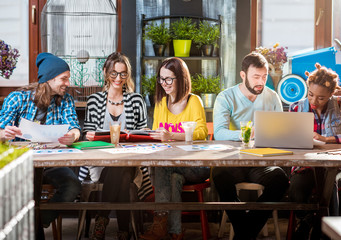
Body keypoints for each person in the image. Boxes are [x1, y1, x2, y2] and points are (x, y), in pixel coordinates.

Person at [212, 52, 289, 240]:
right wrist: (246, 134)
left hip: (260, 163)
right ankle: (247, 232)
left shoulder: (272, 97)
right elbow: (219, 133)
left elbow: (282, 132)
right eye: (256, 77)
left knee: (280, 178)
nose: (260, 82)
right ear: (243, 75)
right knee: (219, 175)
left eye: (264, 77)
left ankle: (244, 233)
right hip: (233, 162)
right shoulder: (226, 97)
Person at [0, 52, 81, 227]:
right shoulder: (17, 98)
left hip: (51, 163)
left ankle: (37, 223)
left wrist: (72, 136)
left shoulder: (65, 99)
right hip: (21, 163)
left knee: (73, 186)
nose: (68, 83)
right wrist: (4, 133)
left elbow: (74, 126)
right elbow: (0, 129)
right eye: (64, 79)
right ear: (50, 78)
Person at [81, 52, 153, 240]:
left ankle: (102, 220)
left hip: (129, 161)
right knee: (120, 173)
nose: (118, 78)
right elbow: (86, 134)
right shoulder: (94, 100)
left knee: (122, 167)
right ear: (105, 72)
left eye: (123, 74)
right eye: (114, 73)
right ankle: (124, 230)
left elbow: (143, 133)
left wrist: (139, 135)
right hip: (101, 163)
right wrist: (90, 136)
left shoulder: (136, 100)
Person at [288, 63, 341, 239]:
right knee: (296, 186)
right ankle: (310, 223)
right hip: (305, 167)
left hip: (336, 168)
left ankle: (321, 232)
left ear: (331, 94)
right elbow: (287, 141)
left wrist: (327, 139)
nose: (313, 101)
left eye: (321, 98)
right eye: (310, 94)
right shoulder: (296, 107)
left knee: (329, 182)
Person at [140, 57, 209, 240]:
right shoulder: (161, 103)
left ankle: (159, 224)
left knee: (163, 167)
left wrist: (171, 135)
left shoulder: (194, 101)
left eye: (169, 79)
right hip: (173, 164)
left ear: (181, 78)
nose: (165, 83)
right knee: (173, 176)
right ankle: (175, 232)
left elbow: (202, 132)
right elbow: (157, 133)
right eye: (162, 79)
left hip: (196, 165)